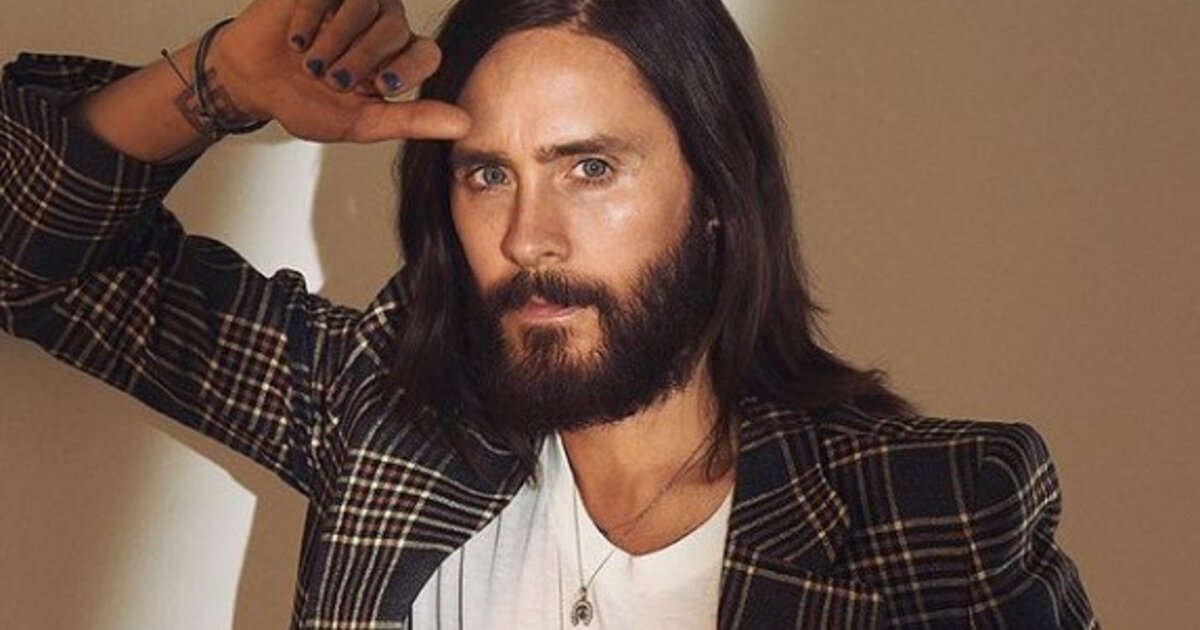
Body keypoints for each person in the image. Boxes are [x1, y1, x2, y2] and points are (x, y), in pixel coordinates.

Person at [0, 0, 1098, 627]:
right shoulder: (383, 417)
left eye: (590, 168)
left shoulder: (936, 520)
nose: (530, 238)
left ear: (716, 194)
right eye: (488, 175)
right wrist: (220, 85)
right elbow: (35, 261)